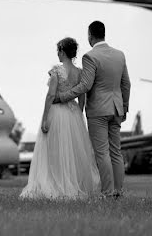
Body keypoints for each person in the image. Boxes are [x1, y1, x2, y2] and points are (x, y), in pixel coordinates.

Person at [56, 20, 131, 198]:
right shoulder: (120, 55)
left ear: (90, 35)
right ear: (104, 34)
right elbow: (126, 83)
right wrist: (125, 107)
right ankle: (118, 191)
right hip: (117, 109)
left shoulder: (90, 57)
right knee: (116, 152)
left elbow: (85, 85)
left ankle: (107, 193)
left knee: (102, 153)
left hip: (98, 111)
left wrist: (62, 97)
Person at [19, 37, 101, 200]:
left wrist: (44, 118)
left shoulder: (57, 70)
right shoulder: (79, 72)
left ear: (62, 51)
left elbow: (50, 96)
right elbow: (82, 96)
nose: (57, 54)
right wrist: (79, 112)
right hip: (73, 114)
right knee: (72, 151)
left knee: (54, 151)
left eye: (58, 51)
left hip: (57, 112)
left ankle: (56, 183)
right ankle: (72, 183)